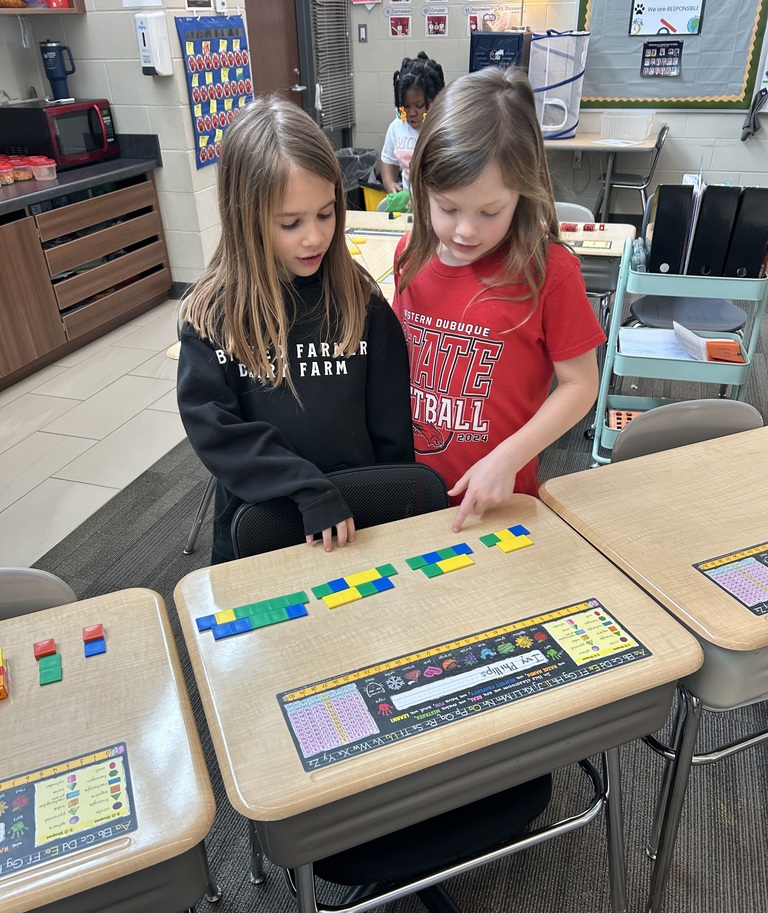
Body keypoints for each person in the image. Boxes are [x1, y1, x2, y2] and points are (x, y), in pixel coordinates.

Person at [177, 97, 414, 564]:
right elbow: (216, 431)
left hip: (356, 521)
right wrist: (305, 488)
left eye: (326, 214)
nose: (315, 237)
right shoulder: (213, 316)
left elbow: (392, 431)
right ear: (244, 218)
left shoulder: (361, 302)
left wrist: (396, 509)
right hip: (261, 524)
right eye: (291, 223)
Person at [392, 66, 604, 532]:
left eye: (490, 212)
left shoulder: (549, 272)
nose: (466, 230)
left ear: (522, 195)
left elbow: (581, 384)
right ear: (422, 188)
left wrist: (507, 458)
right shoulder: (410, 253)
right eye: (448, 208)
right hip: (410, 490)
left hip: (497, 499)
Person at [380, 52, 445, 194]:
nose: (412, 113)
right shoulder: (396, 127)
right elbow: (388, 161)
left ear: (433, 100)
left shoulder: (442, 129)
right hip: (409, 202)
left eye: (419, 105)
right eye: (406, 106)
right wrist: (390, 184)